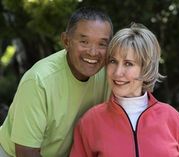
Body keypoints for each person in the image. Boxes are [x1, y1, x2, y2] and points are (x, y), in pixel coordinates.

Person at [69, 23, 179, 157]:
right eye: (113, 61)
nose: (117, 72)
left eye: (128, 63)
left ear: (146, 68)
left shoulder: (172, 119)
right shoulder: (91, 121)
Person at [0, 7, 113, 157]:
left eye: (102, 44)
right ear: (66, 41)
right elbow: (26, 152)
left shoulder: (110, 74)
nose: (93, 52)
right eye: (84, 41)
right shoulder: (39, 80)